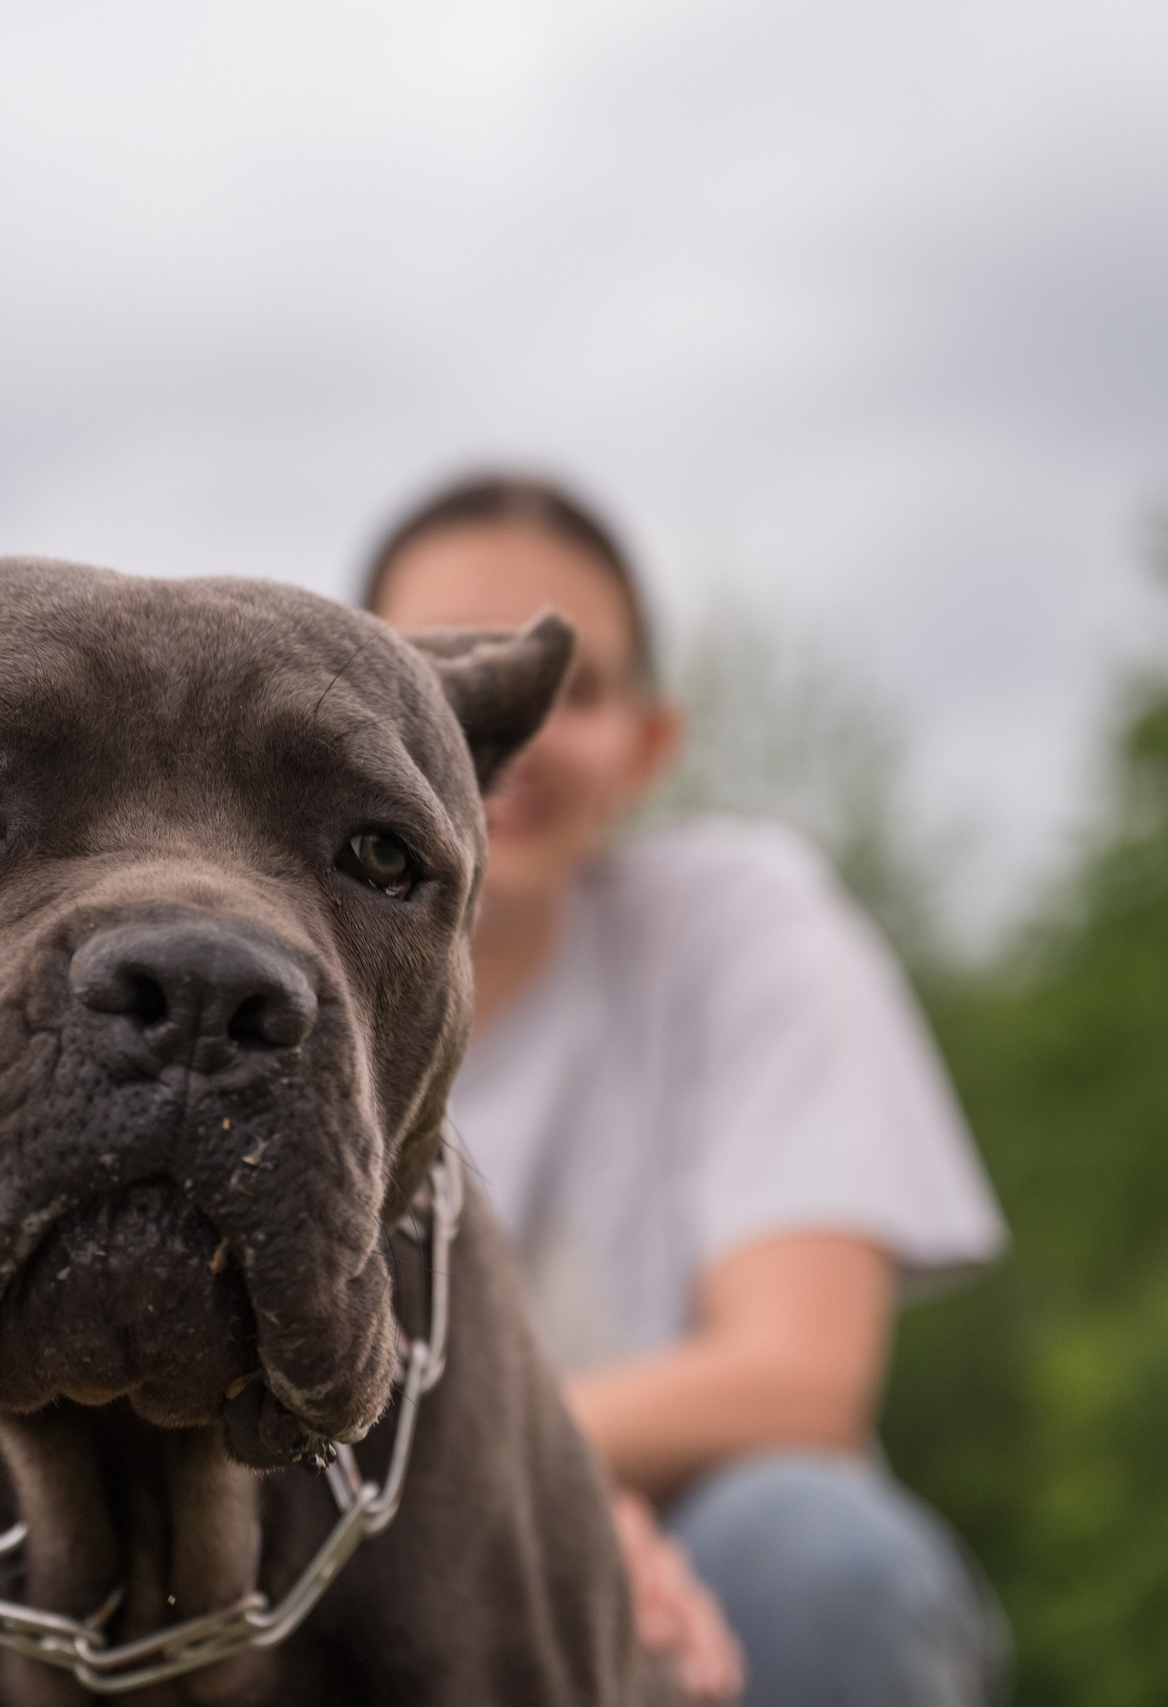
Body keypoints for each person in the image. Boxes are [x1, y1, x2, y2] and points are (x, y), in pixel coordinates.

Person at [365, 475, 1010, 1706]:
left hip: (696, 1616)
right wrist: (496, 1503)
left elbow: (798, 1379)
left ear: (652, 744)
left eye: (574, 689)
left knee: (814, 1556)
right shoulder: (251, 983)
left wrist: (536, 1479)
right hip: (358, 1569)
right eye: (441, 669)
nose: (511, 729)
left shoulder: (738, 924)